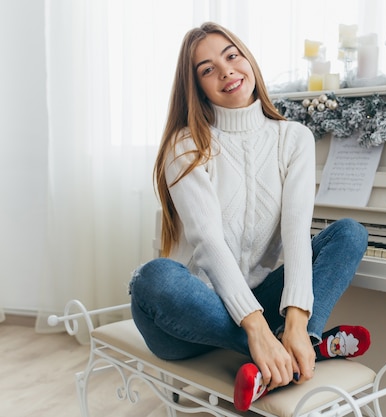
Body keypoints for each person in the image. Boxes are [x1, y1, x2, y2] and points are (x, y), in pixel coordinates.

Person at [128, 22, 371, 412]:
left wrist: (295, 321)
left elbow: (295, 234)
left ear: (248, 60)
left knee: (349, 232)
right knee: (153, 277)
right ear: (197, 87)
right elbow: (208, 242)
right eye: (207, 69)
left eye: (231, 56)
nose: (226, 72)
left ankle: (296, 341)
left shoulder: (293, 138)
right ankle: (291, 350)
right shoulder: (186, 144)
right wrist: (257, 329)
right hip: (190, 313)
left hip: (257, 300)